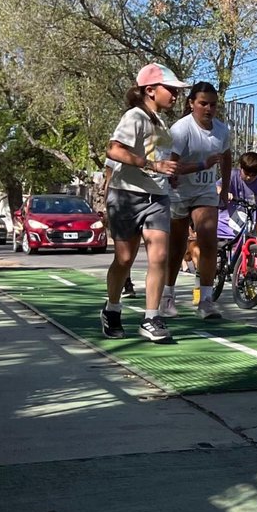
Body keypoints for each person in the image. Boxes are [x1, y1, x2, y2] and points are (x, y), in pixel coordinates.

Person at [102, 65, 183, 343]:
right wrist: (151, 165)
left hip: (157, 197)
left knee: (159, 256)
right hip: (126, 195)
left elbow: (159, 159)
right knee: (124, 259)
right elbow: (113, 149)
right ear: (150, 90)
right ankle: (112, 309)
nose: (175, 95)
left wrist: (169, 174)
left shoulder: (160, 122)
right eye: (170, 89)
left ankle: (151, 317)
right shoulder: (134, 116)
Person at [162, 82, 231, 320]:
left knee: (209, 240)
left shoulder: (222, 130)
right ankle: (167, 296)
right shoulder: (181, 130)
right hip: (179, 192)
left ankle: (206, 300)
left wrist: (225, 189)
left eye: (213, 104)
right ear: (192, 103)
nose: (208, 109)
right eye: (203, 103)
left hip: (205, 191)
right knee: (177, 246)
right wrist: (202, 165)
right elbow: (171, 166)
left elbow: (227, 158)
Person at [98, 159, 135, 296]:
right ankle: (126, 282)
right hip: (122, 204)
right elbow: (109, 182)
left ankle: (165, 293)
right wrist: (107, 209)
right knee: (124, 252)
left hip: (145, 203)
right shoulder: (113, 158)